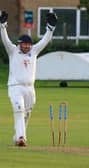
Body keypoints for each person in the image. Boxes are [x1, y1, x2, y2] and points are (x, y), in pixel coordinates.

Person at [0, 11, 57, 146]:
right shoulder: (13, 51)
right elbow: (5, 40)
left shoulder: (34, 51)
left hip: (30, 89)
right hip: (15, 87)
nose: (26, 46)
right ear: (19, 44)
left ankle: (17, 136)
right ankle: (21, 138)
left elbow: (45, 41)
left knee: (26, 114)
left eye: (28, 44)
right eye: (24, 44)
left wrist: (50, 28)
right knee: (19, 110)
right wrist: (2, 26)